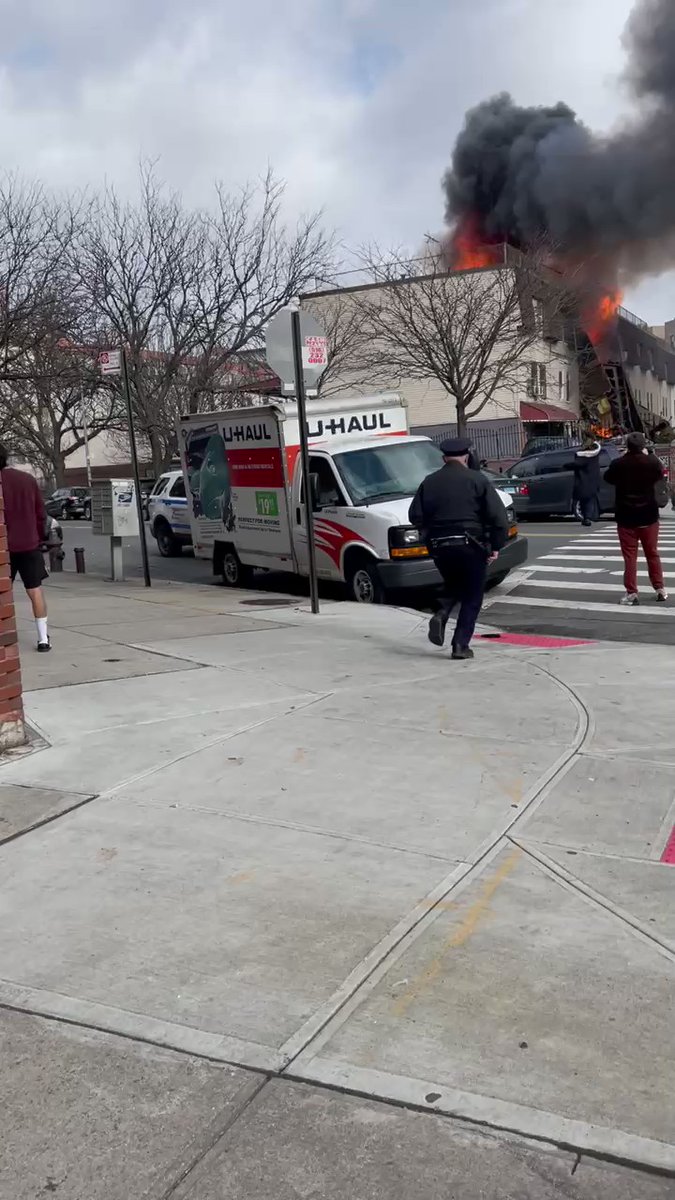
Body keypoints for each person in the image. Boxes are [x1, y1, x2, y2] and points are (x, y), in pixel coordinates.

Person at [409, 437, 509, 660]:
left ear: (444, 458)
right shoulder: (477, 479)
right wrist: (495, 545)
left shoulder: (429, 481)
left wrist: (431, 534)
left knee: (454, 584)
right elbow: (498, 518)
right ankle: (460, 645)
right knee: (473, 595)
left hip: (440, 546)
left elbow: (414, 515)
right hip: (471, 545)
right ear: (467, 456)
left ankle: (443, 611)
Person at [603, 431, 668, 606]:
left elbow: (607, 478)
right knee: (652, 553)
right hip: (649, 515)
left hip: (626, 517)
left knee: (630, 557)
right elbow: (660, 475)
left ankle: (632, 593)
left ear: (627, 446)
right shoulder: (652, 462)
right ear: (643, 446)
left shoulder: (619, 464)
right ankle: (659, 588)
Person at [0, 445, 51, 651]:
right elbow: (41, 515)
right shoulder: (28, 480)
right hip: (30, 544)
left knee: (3, 592)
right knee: (35, 589)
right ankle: (43, 639)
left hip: (4, 547)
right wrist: (37, 537)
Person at [572, 438, 602, 526]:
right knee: (590, 500)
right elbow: (598, 447)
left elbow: (576, 466)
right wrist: (595, 442)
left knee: (583, 501)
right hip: (593, 482)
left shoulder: (580, 457)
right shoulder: (595, 455)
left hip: (582, 483)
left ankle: (586, 517)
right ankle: (589, 517)